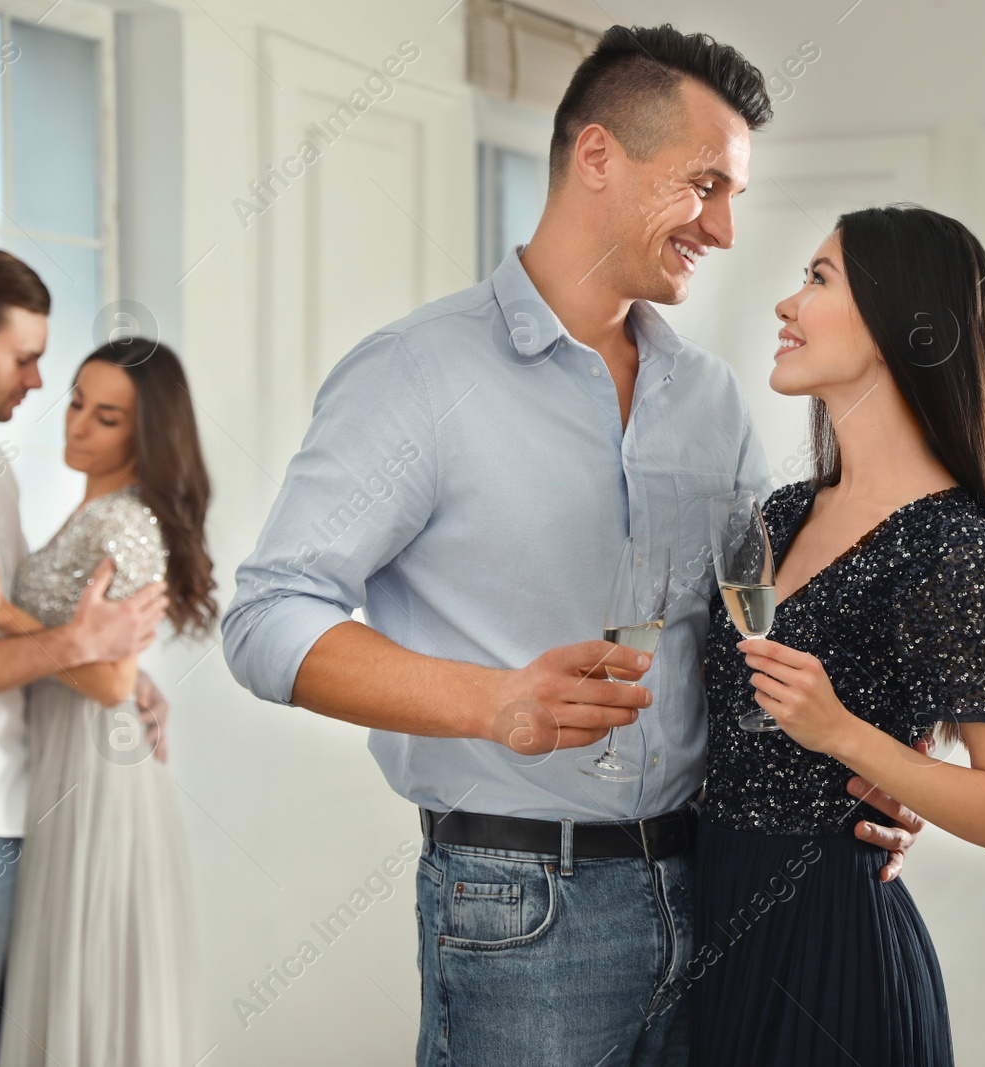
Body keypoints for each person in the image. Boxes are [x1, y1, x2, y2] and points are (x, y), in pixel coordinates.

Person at [221, 25, 921, 1066]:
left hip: (711, 887)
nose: (725, 229)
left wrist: (853, 770)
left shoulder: (710, 398)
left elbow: (741, 634)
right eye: (703, 186)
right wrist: (493, 699)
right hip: (518, 908)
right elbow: (268, 616)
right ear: (598, 157)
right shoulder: (415, 373)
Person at [690, 206, 985, 1066]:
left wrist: (844, 734)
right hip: (711, 928)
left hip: (831, 958)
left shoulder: (950, 545)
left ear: (903, 323)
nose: (786, 304)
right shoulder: (780, 512)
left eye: (817, 279)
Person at [0, 336, 217, 1065]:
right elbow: (109, 660)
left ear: (146, 431)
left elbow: (112, 682)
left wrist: (0, 612)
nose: (77, 426)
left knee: (84, 968)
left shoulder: (126, 521)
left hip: (94, 772)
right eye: (76, 403)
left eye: (107, 417)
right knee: (57, 966)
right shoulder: (91, 512)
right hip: (55, 756)